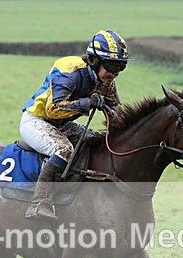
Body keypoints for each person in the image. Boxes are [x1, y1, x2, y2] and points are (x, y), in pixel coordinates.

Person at [20, 29, 132, 220]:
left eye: (120, 67)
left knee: (95, 141)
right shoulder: (71, 73)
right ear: (94, 61)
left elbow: (116, 109)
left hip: (61, 125)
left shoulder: (105, 80)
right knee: (64, 149)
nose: (115, 73)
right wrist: (87, 103)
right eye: (112, 66)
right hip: (36, 121)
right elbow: (52, 109)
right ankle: (39, 203)